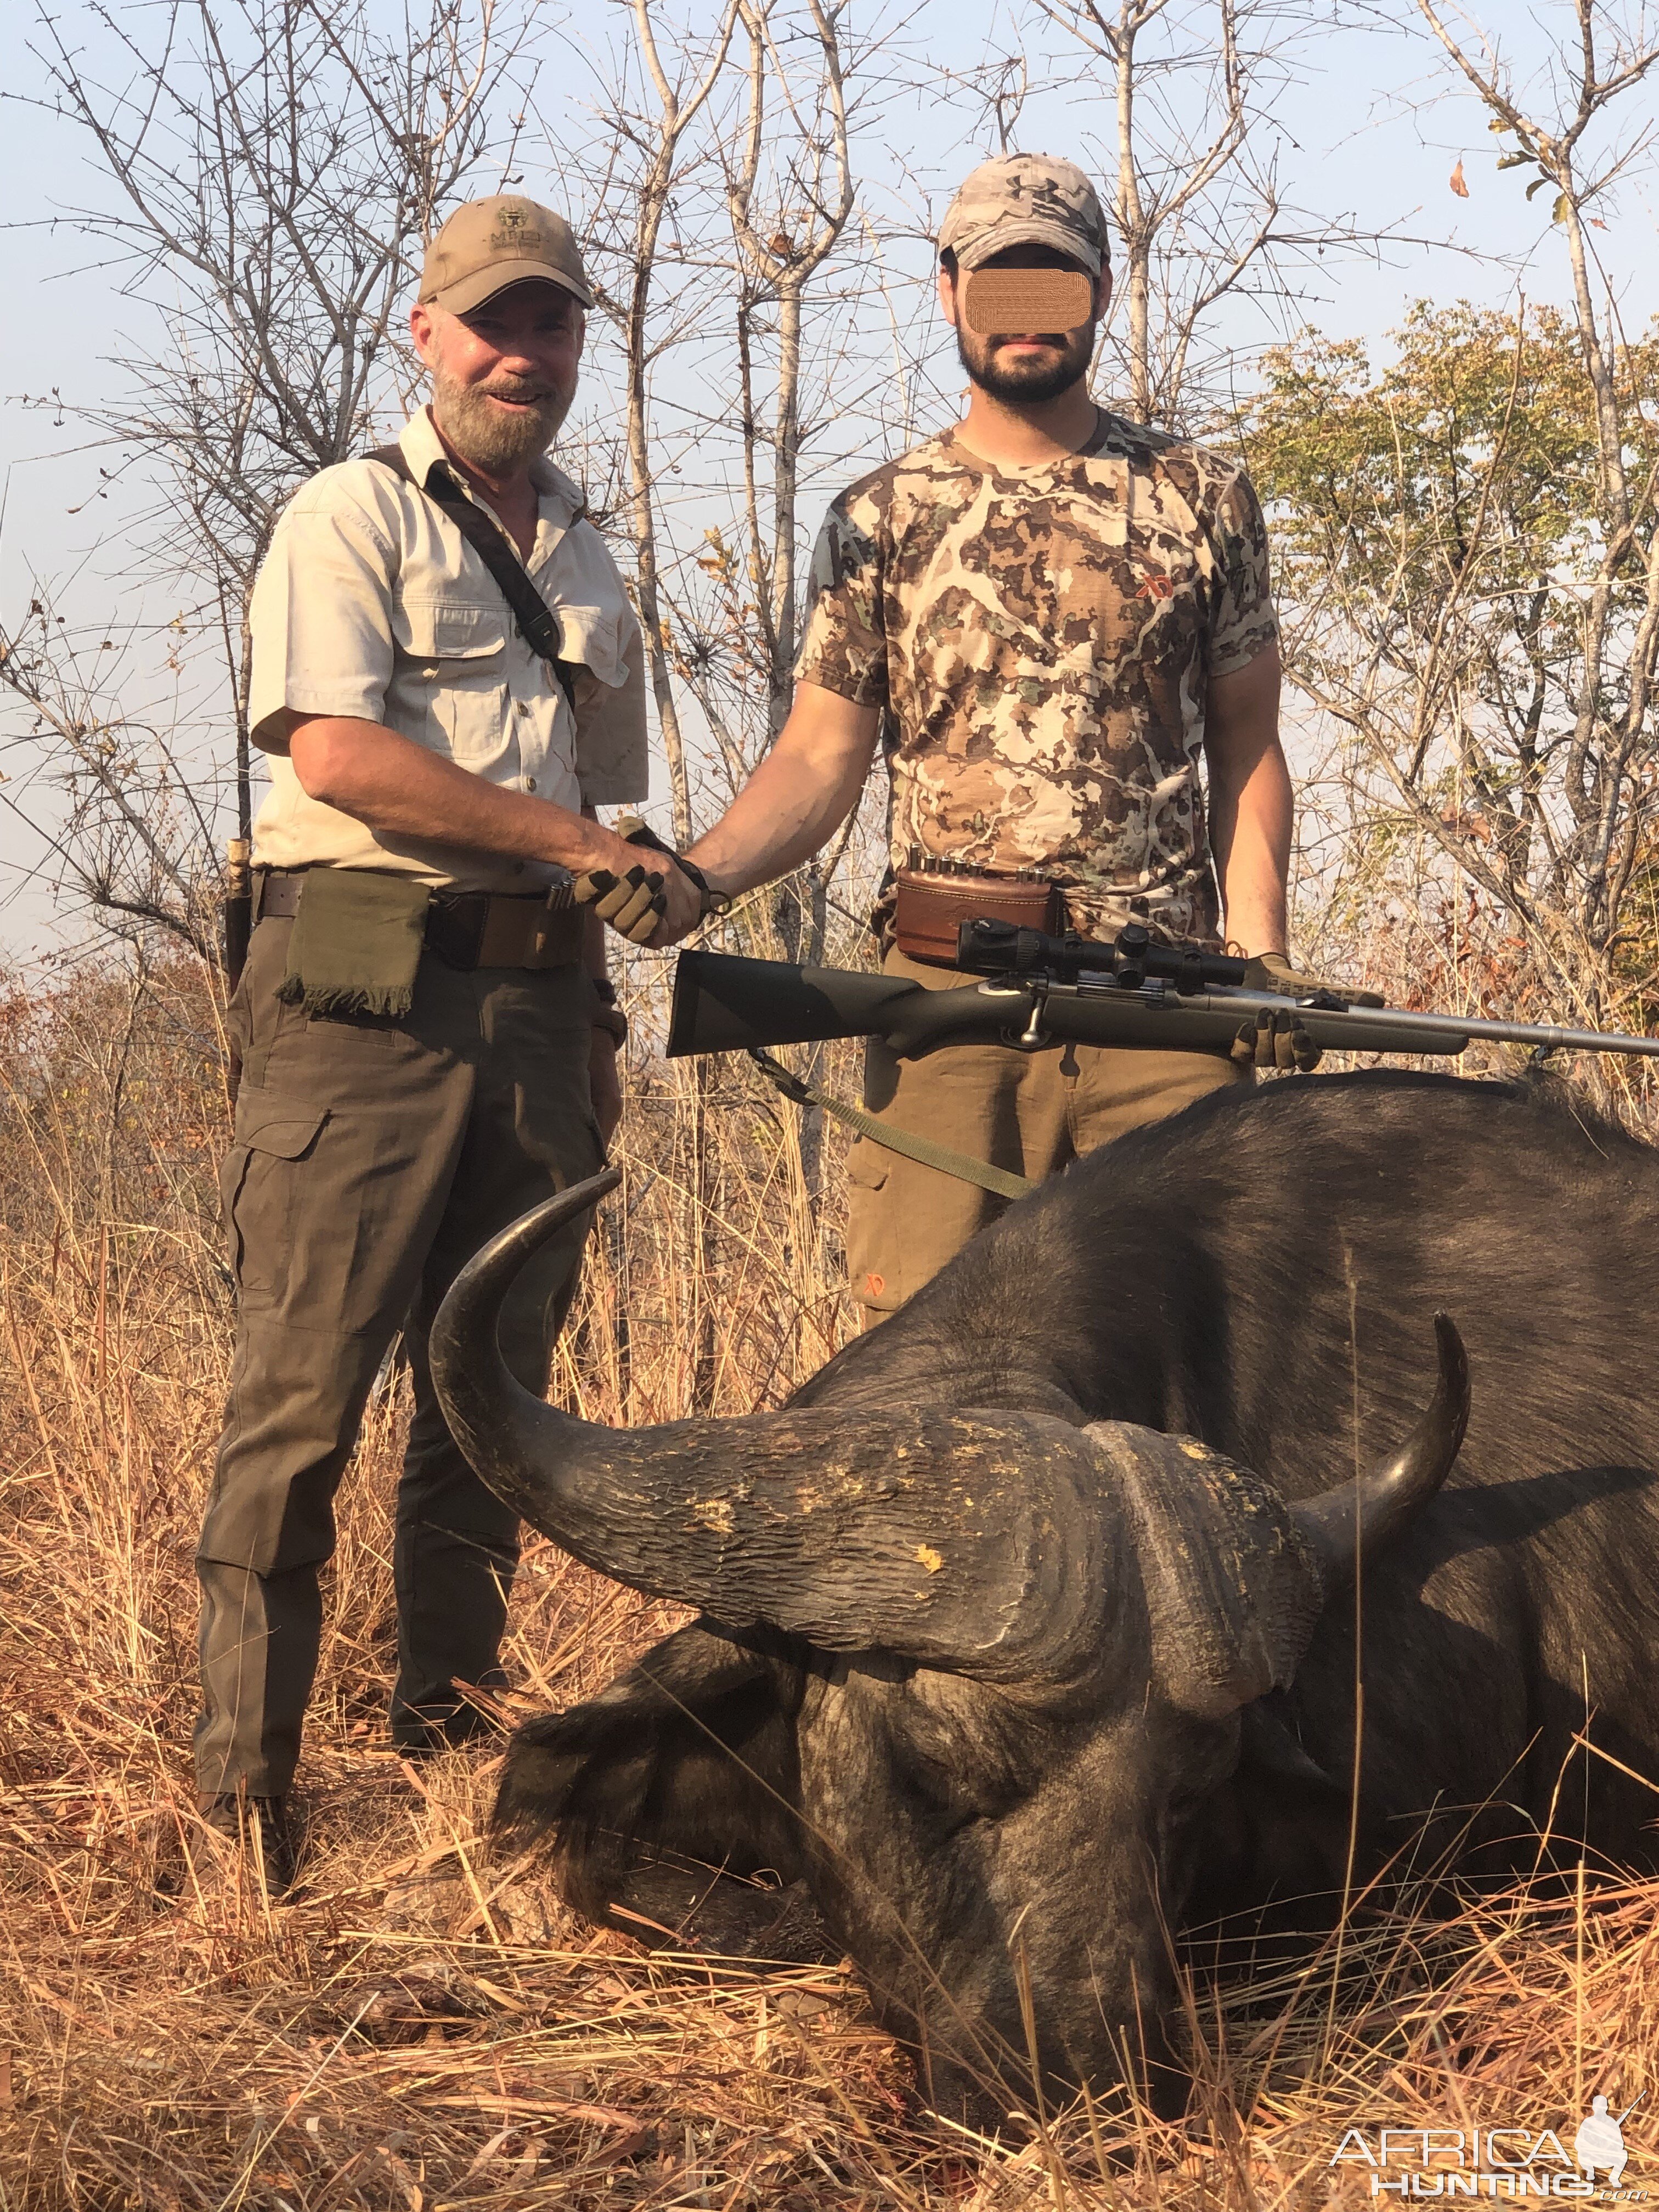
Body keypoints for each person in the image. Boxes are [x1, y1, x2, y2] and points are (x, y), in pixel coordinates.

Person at [193, 194, 703, 1882]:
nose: (519, 353)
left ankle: (448, 1750)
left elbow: (597, 798)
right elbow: (333, 756)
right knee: (303, 1400)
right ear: (426, 333)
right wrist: (576, 856)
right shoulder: (349, 516)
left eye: (549, 324)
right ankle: (244, 1808)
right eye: (489, 321)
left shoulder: (586, 546)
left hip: (543, 999)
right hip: (359, 980)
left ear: (576, 345)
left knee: (490, 1391)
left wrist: (600, 967)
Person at [667, 151, 1318, 1324]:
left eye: (1053, 284)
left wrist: (1258, 966)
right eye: (1001, 281)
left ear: (1103, 292)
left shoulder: (1202, 497)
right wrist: (695, 878)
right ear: (950, 289)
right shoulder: (877, 515)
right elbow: (819, 760)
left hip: (1162, 996)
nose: (1026, 316)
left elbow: (1250, 748)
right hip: (954, 1000)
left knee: (1203, 1347)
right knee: (931, 1366)